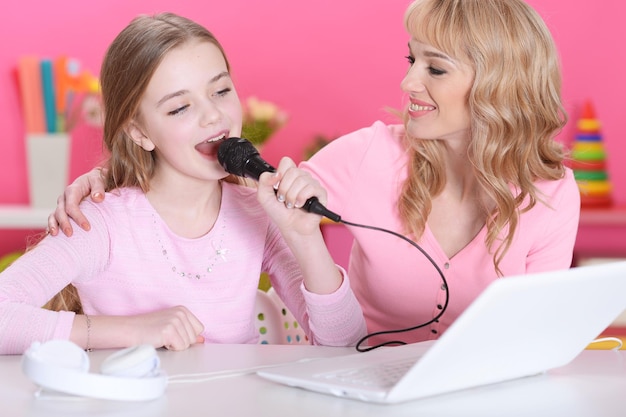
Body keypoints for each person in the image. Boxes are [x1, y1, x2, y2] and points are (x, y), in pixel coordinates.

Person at [48, 0, 580, 349]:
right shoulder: (368, 155)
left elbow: (539, 339)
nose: (408, 81)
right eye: (410, 59)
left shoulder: (551, 193)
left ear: (499, 85)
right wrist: (107, 178)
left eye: (434, 68)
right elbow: (245, 182)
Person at [0, 12, 367, 355]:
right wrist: (131, 331)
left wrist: (304, 237)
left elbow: (346, 344)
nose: (213, 115)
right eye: (179, 108)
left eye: (221, 91)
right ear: (140, 132)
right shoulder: (100, 224)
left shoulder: (259, 213)